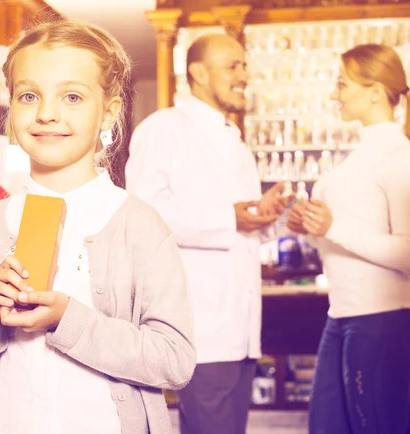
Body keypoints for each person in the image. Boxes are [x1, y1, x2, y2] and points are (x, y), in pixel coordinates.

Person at [0, 20, 196, 434]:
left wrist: (68, 320)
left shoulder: (141, 228)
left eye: (72, 96)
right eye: (29, 95)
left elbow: (174, 361)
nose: (47, 113)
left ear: (108, 113)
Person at [125, 34, 288, 434]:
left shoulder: (237, 142)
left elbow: (242, 228)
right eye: (233, 66)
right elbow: (140, 214)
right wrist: (229, 218)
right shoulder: (164, 129)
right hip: (201, 328)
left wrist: (269, 217)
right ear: (197, 72)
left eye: (245, 66)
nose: (244, 75)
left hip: (244, 330)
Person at [287, 44, 410, 434]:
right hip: (345, 313)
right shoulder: (364, 153)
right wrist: (312, 228)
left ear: (375, 91)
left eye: (342, 83)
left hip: (383, 317)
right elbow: (341, 245)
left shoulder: (400, 156)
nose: (335, 93)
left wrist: (331, 226)